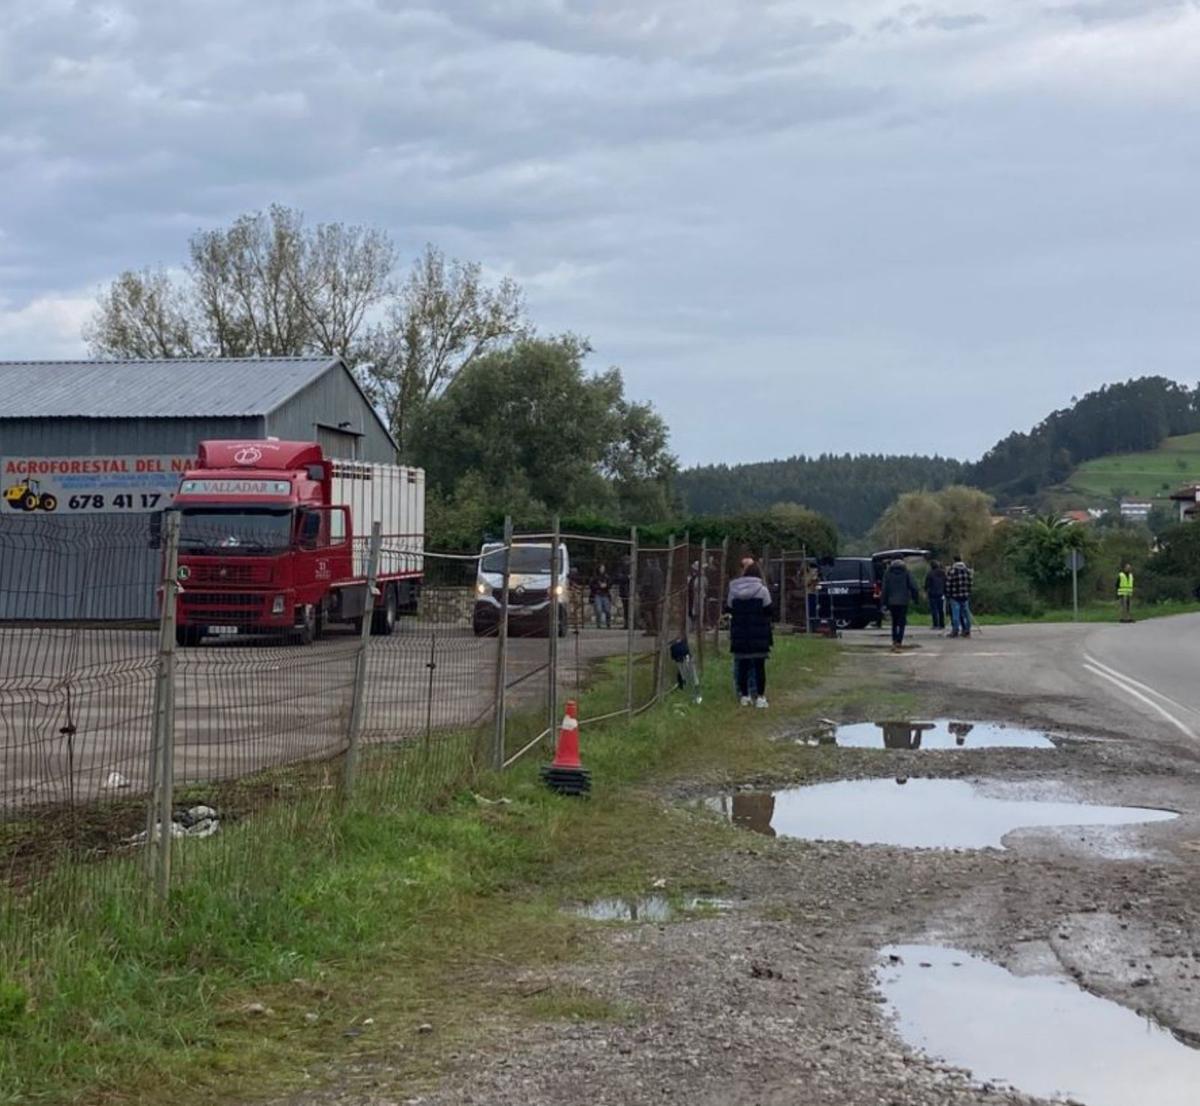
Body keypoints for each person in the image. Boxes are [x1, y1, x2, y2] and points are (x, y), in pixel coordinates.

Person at [726, 563, 773, 708]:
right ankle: (759, 697)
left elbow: (729, 608)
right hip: (759, 634)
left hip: (740, 633)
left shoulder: (733, 591)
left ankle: (744, 696)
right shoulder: (762, 590)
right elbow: (769, 610)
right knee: (759, 666)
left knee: (742, 665)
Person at [881, 557, 919, 652]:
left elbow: (885, 589)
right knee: (902, 622)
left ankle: (894, 640)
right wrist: (915, 599)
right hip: (903, 601)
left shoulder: (888, 573)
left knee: (894, 622)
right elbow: (913, 586)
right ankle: (899, 640)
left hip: (892, 601)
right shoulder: (906, 573)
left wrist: (884, 602)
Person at [945, 555, 974, 638]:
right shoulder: (967, 571)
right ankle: (967, 631)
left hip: (955, 596)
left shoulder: (952, 571)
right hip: (965, 596)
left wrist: (948, 594)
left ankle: (955, 631)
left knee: (955, 615)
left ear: (954, 561)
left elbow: (948, 584)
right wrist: (968, 592)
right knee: (966, 614)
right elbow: (970, 584)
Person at [640, 555, 664, 636]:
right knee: (655, 612)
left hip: (649, 594)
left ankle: (650, 629)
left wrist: (642, 594)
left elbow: (646, 584)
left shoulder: (649, 570)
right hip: (657, 594)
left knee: (647, 611)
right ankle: (656, 629)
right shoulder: (659, 570)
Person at [925, 559, 947, 631]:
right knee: (941, 610)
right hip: (941, 593)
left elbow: (927, 584)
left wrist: (926, 590)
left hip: (932, 593)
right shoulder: (943, 573)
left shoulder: (930, 574)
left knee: (934, 609)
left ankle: (935, 624)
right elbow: (946, 582)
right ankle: (942, 624)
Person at [589, 564, 613, 629]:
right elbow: (591, 585)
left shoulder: (607, 577)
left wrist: (606, 586)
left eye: (603, 568)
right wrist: (599, 586)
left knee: (607, 610)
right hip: (598, 594)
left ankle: (608, 624)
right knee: (598, 610)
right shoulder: (595, 577)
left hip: (605, 594)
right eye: (601, 568)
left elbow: (610, 584)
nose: (602, 569)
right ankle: (598, 624)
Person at [614, 557, 631, 629]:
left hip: (630, 590)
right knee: (626, 608)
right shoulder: (621, 568)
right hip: (625, 591)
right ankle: (627, 624)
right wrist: (627, 577)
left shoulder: (632, 568)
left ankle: (631, 623)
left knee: (630, 609)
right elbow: (619, 577)